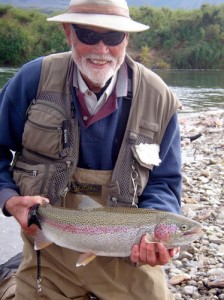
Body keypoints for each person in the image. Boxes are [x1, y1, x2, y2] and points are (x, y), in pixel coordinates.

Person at [0, 0, 182, 299]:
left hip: (127, 260)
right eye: (87, 35)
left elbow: (165, 180)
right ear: (68, 32)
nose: (101, 49)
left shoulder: (158, 97)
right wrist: (9, 199)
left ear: (126, 38)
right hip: (49, 254)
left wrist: (155, 235)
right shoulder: (33, 81)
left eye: (112, 37)